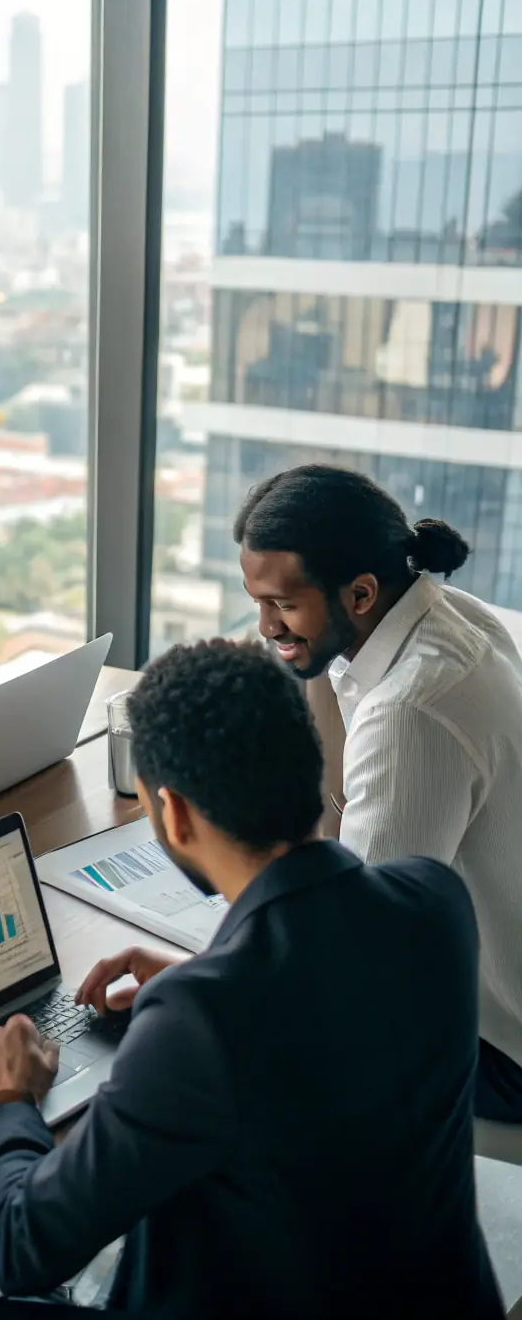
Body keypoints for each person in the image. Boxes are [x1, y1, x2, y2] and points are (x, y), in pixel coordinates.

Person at [0, 641, 502, 1320]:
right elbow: (325, 1000)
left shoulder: (202, 1020)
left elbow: (22, 1247)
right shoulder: (434, 899)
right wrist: (203, 975)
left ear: (175, 813)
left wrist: (12, 1096)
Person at [235, 463, 522, 1124]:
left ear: (360, 594)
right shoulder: (444, 615)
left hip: (499, 1046)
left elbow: (355, 960)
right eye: (257, 601)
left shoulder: (413, 709)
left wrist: (208, 983)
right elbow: (333, 810)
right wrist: (305, 650)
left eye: (281, 604)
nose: (265, 626)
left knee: (220, 1052)